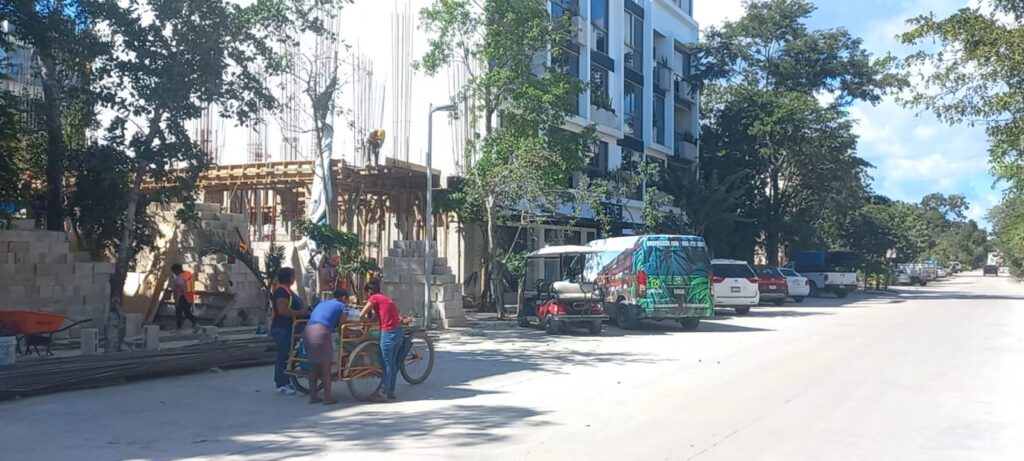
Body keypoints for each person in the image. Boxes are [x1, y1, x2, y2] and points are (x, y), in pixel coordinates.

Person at [302, 289, 360, 405]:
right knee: (325, 367)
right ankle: (327, 398)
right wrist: (358, 333)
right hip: (321, 332)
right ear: (344, 298)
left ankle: (312, 396)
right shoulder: (343, 307)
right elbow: (342, 328)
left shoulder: (323, 303)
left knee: (314, 366)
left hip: (308, 330)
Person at [360, 280, 404, 402]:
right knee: (393, 363)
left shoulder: (374, 298)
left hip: (388, 333)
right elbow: (377, 316)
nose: (366, 296)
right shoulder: (385, 298)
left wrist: (361, 324)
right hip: (398, 332)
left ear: (369, 291)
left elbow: (361, 315)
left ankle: (383, 392)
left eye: (366, 293)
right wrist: (370, 322)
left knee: (387, 364)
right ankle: (391, 391)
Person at [270, 267, 310, 395]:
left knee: (288, 355)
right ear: (290, 278)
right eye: (293, 276)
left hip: (290, 328)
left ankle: (286, 382)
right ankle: (281, 384)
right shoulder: (281, 292)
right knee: (283, 356)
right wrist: (300, 313)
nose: (294, 279)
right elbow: (282, 311)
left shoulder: (288, 291)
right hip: (282, 328)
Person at [170, 263, 199, 331]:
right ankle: (194, 323)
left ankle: (180, 327)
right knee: (186, 311)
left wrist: (176, 301)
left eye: (174, 272)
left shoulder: (180, 277)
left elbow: (180, 290)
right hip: (190, 296)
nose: (174, 274)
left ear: (177, 270)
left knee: (179, 311)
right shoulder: (188, 274)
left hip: (183, 296)